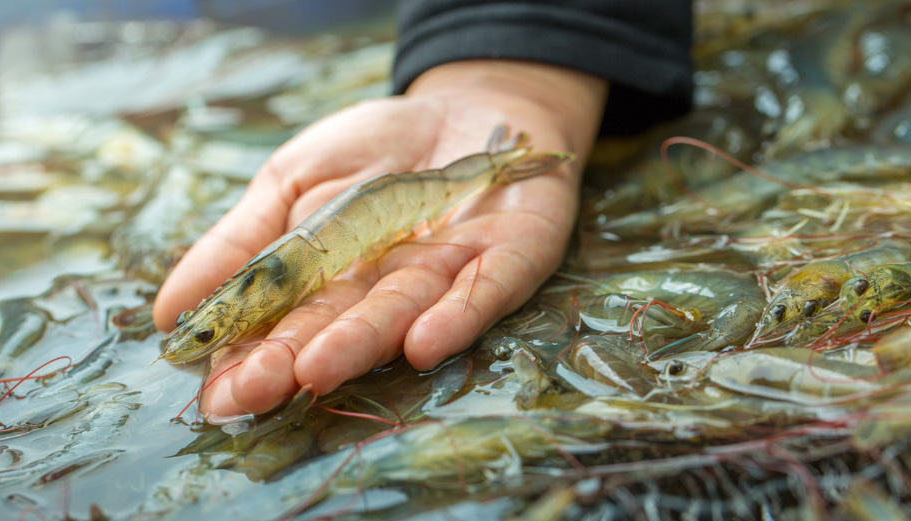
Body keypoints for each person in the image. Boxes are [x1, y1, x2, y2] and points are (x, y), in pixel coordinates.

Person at [152, 1, 693, 420]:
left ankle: (497, 163)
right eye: (198, 332)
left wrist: (530, 81)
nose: (196, 338)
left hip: (419, 190)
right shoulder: (251, 291)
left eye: (199, 334)